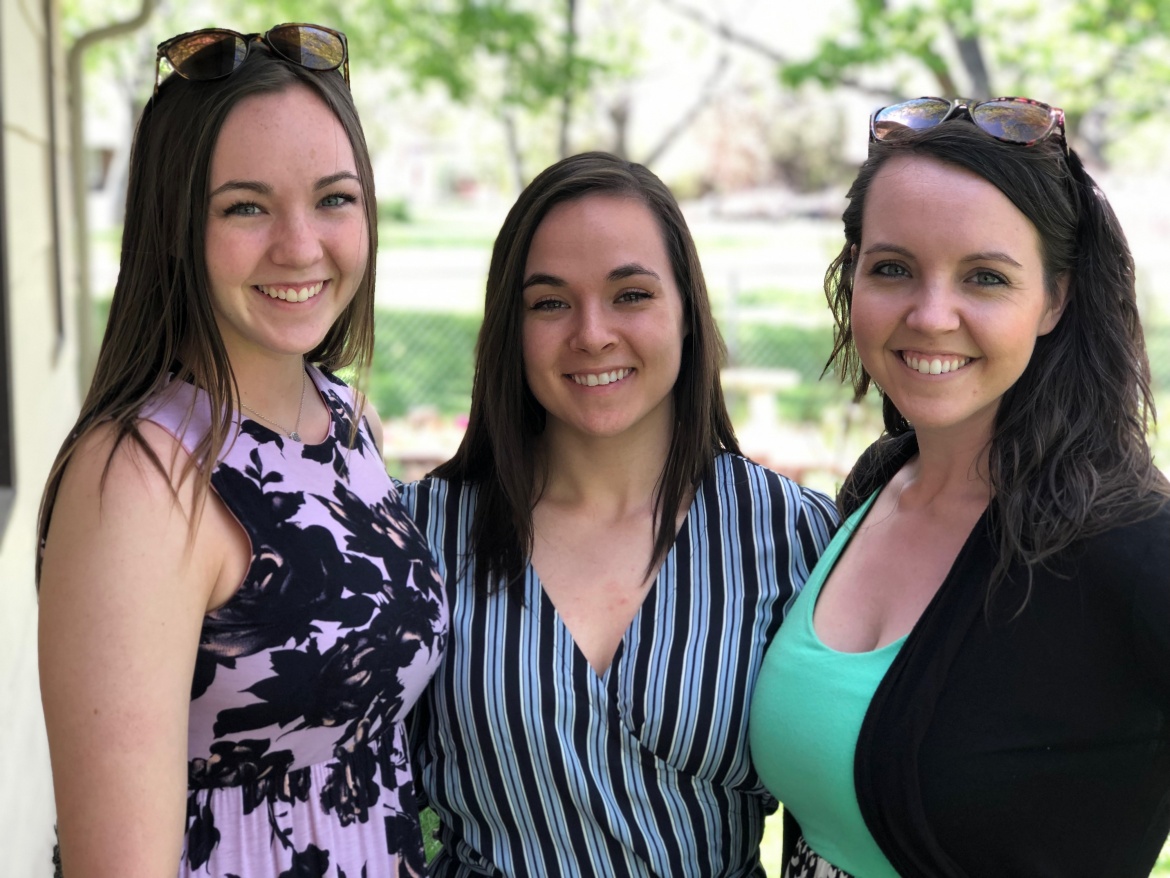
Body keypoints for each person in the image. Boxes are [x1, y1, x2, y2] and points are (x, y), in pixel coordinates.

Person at [37, 24, 446, 878]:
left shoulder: (346, 422)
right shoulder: (140, 481)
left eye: (334, 198)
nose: (301, 246)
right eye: (246, 207)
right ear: (175, 225)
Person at [748, 96, 1170, 877]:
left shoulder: (1128, 543)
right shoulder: (877, 485)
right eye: (893, 269)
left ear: (1055, 298)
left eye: (984, 277)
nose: (931, 314)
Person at [398, 151, 838, 876]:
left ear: (688, 312)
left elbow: (834, 822)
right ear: (511, 329)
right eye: (549, 303)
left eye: (630, 294)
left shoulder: (795, 537)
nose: (592, 334)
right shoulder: (420, 537)